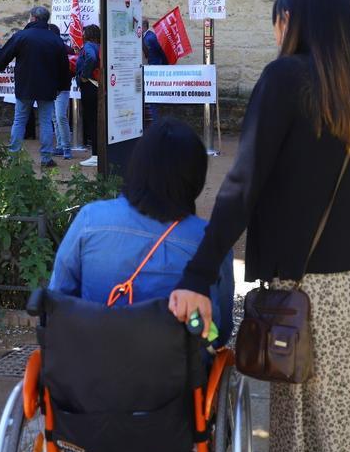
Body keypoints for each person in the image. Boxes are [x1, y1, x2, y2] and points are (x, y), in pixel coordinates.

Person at [169, 0, 350, 452]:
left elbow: (242, 185)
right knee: (343, 413)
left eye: (278, 20)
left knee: (327, 415)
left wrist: (199, 273)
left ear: (293, 21)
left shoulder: (287, 79)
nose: (275, 34)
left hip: (310, 283)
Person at [48, 117, 234, 347]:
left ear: (136, 166)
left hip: (86, 370)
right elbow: (220, 327)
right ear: (196, 177)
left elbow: (57, 300)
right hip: (177, 376)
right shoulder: (209, 241)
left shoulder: (91, 219)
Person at [0, 5, 71, 167]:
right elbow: (64, 67)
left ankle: (14, 157)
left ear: (33, 18)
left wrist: (0, 63)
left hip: (25, 85)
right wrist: (62, 86)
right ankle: (45, 158)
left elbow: (1, 59)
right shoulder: (55, 39)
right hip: (48, 87)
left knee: (19, 120)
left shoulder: (21, 36)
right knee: (45, 122)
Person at [74, 24, 102, 167]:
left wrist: (84, 75)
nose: (82, 34)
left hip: (90, 85)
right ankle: (98, 153)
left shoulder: (89, 46)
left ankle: (96, 155)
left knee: (92, 120)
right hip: (98, 86)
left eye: (84, 32)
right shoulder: (100, 45)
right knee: (97, 121)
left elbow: (90, 58)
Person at [47, 23, 73, 160]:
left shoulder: (66, 50)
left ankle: (67, 147)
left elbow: (69, 70)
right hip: (52, 88)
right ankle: (61, 146)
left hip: (61, 88)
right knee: (55, 118)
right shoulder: (48, 49)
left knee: (60, 117)